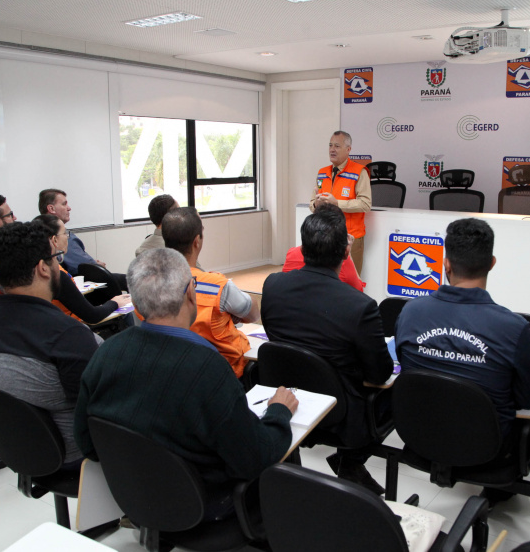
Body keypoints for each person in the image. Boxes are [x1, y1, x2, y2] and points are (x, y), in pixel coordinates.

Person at [73, 248, 298, 518]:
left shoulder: (105, 353)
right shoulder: (207, 368)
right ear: (191, 293)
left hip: (131, 494)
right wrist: (278, 411)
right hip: (207, 506)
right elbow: (254, 459)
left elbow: (87, 442)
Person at [261, 204, 393, 495]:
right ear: (346, 253)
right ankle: (352, 459)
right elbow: (381, 373)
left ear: (303, 248)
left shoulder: (272, 286)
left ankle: (348, 463)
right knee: (396, 392)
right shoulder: (359, 306)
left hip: (287, 397)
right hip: (340, 413)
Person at [0, 221, 99, 470]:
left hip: (19, 451)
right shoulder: (69, 335)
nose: (58, 264)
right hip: (75, 458)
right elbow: (99, 414)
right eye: (56, 258)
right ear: (43, 268)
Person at [395, 218, 530, 440]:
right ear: (492, 263)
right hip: (488, 446)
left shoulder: (410, 312)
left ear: (446, 264)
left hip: (419, 435)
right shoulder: (515, 329)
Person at [162, 207, 257, 379]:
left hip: (171, 369)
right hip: (222, 374)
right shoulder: (217, 285)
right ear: (197, 241)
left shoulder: (149, 284)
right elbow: (252, 314)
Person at [33, 214, 132, 324]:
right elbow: (92, 316)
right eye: (65, 233)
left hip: (55, 324)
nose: (67, 237)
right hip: (70, 326)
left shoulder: (34, 270)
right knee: (128, 313)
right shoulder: (57, 274)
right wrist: (115, 302)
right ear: (54, 240)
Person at [38, 188, 128, 292]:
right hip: (76, 283)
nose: (69, 208)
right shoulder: (56, 234)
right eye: (64, 204)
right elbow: (83, 266)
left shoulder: (38, 231)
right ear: (51, 208)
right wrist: (95, 265)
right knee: (126, 280)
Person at [310, 131, 372, 275]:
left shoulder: (359, 172)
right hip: (324, 236)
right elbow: (312, 202)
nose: (332, 149)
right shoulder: (322, 173)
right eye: (330, 145)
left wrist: (337, 203)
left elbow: (365, 204)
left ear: (348, 149)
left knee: (350, 282)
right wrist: (316, 205)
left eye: (337, 146)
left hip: (350, 237)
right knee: (326, 279)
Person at [282, 244, 365, 292]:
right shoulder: (342, 261)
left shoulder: (292, 253)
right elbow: (359, 291)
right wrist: (349, 255)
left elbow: (284, 286)